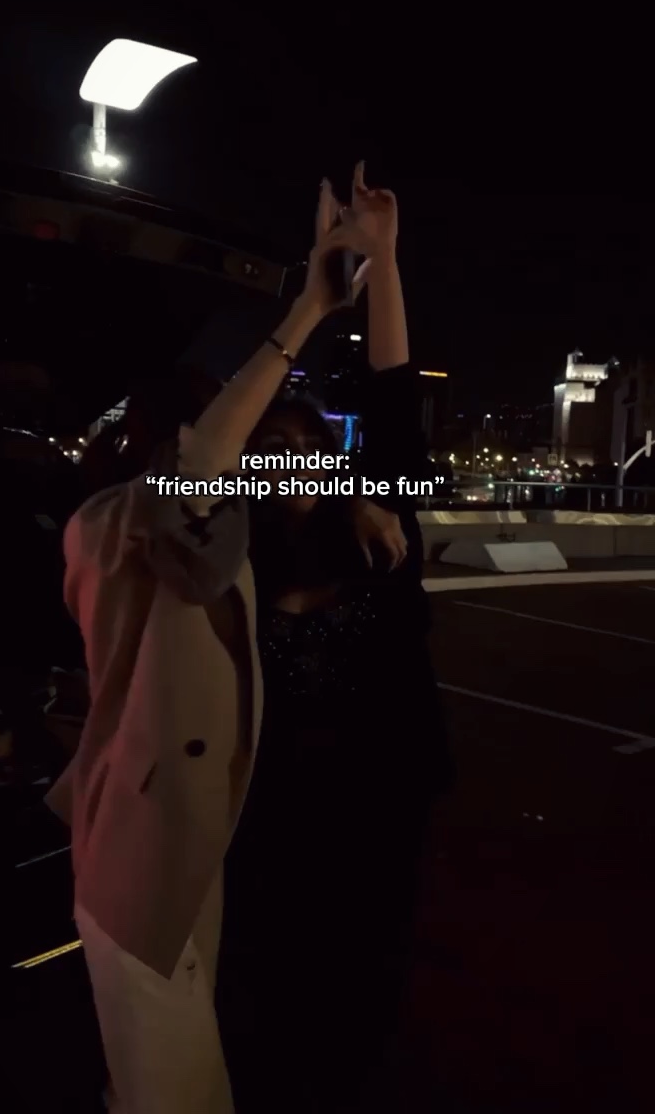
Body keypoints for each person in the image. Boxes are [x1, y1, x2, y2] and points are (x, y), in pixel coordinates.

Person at [44, 220, 374, 1114]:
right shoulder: (121, 522)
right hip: (144, 848)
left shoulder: (192, 535)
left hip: (181, 839)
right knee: (174, 1086)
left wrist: (353, 498)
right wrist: (307, 312)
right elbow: (199, 476)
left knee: (165, 1075)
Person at [216, 166, 453, 1113]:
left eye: (305, 449)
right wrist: (308, 308)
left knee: (362, 1005)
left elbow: (392, 400)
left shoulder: (380, 538)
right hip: (266, 823)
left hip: (379, 810)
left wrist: (383, 262)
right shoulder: (227, 568)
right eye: (266, 451)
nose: (289, 463)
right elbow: (192, 469)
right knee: (263, 1007)